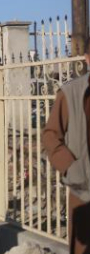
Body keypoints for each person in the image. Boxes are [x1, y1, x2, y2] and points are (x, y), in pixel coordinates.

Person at [43, 40, 90, 254]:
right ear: (87, 59)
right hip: (84, 193)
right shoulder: (71, 92)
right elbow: (51, 136)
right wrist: (73, 169)